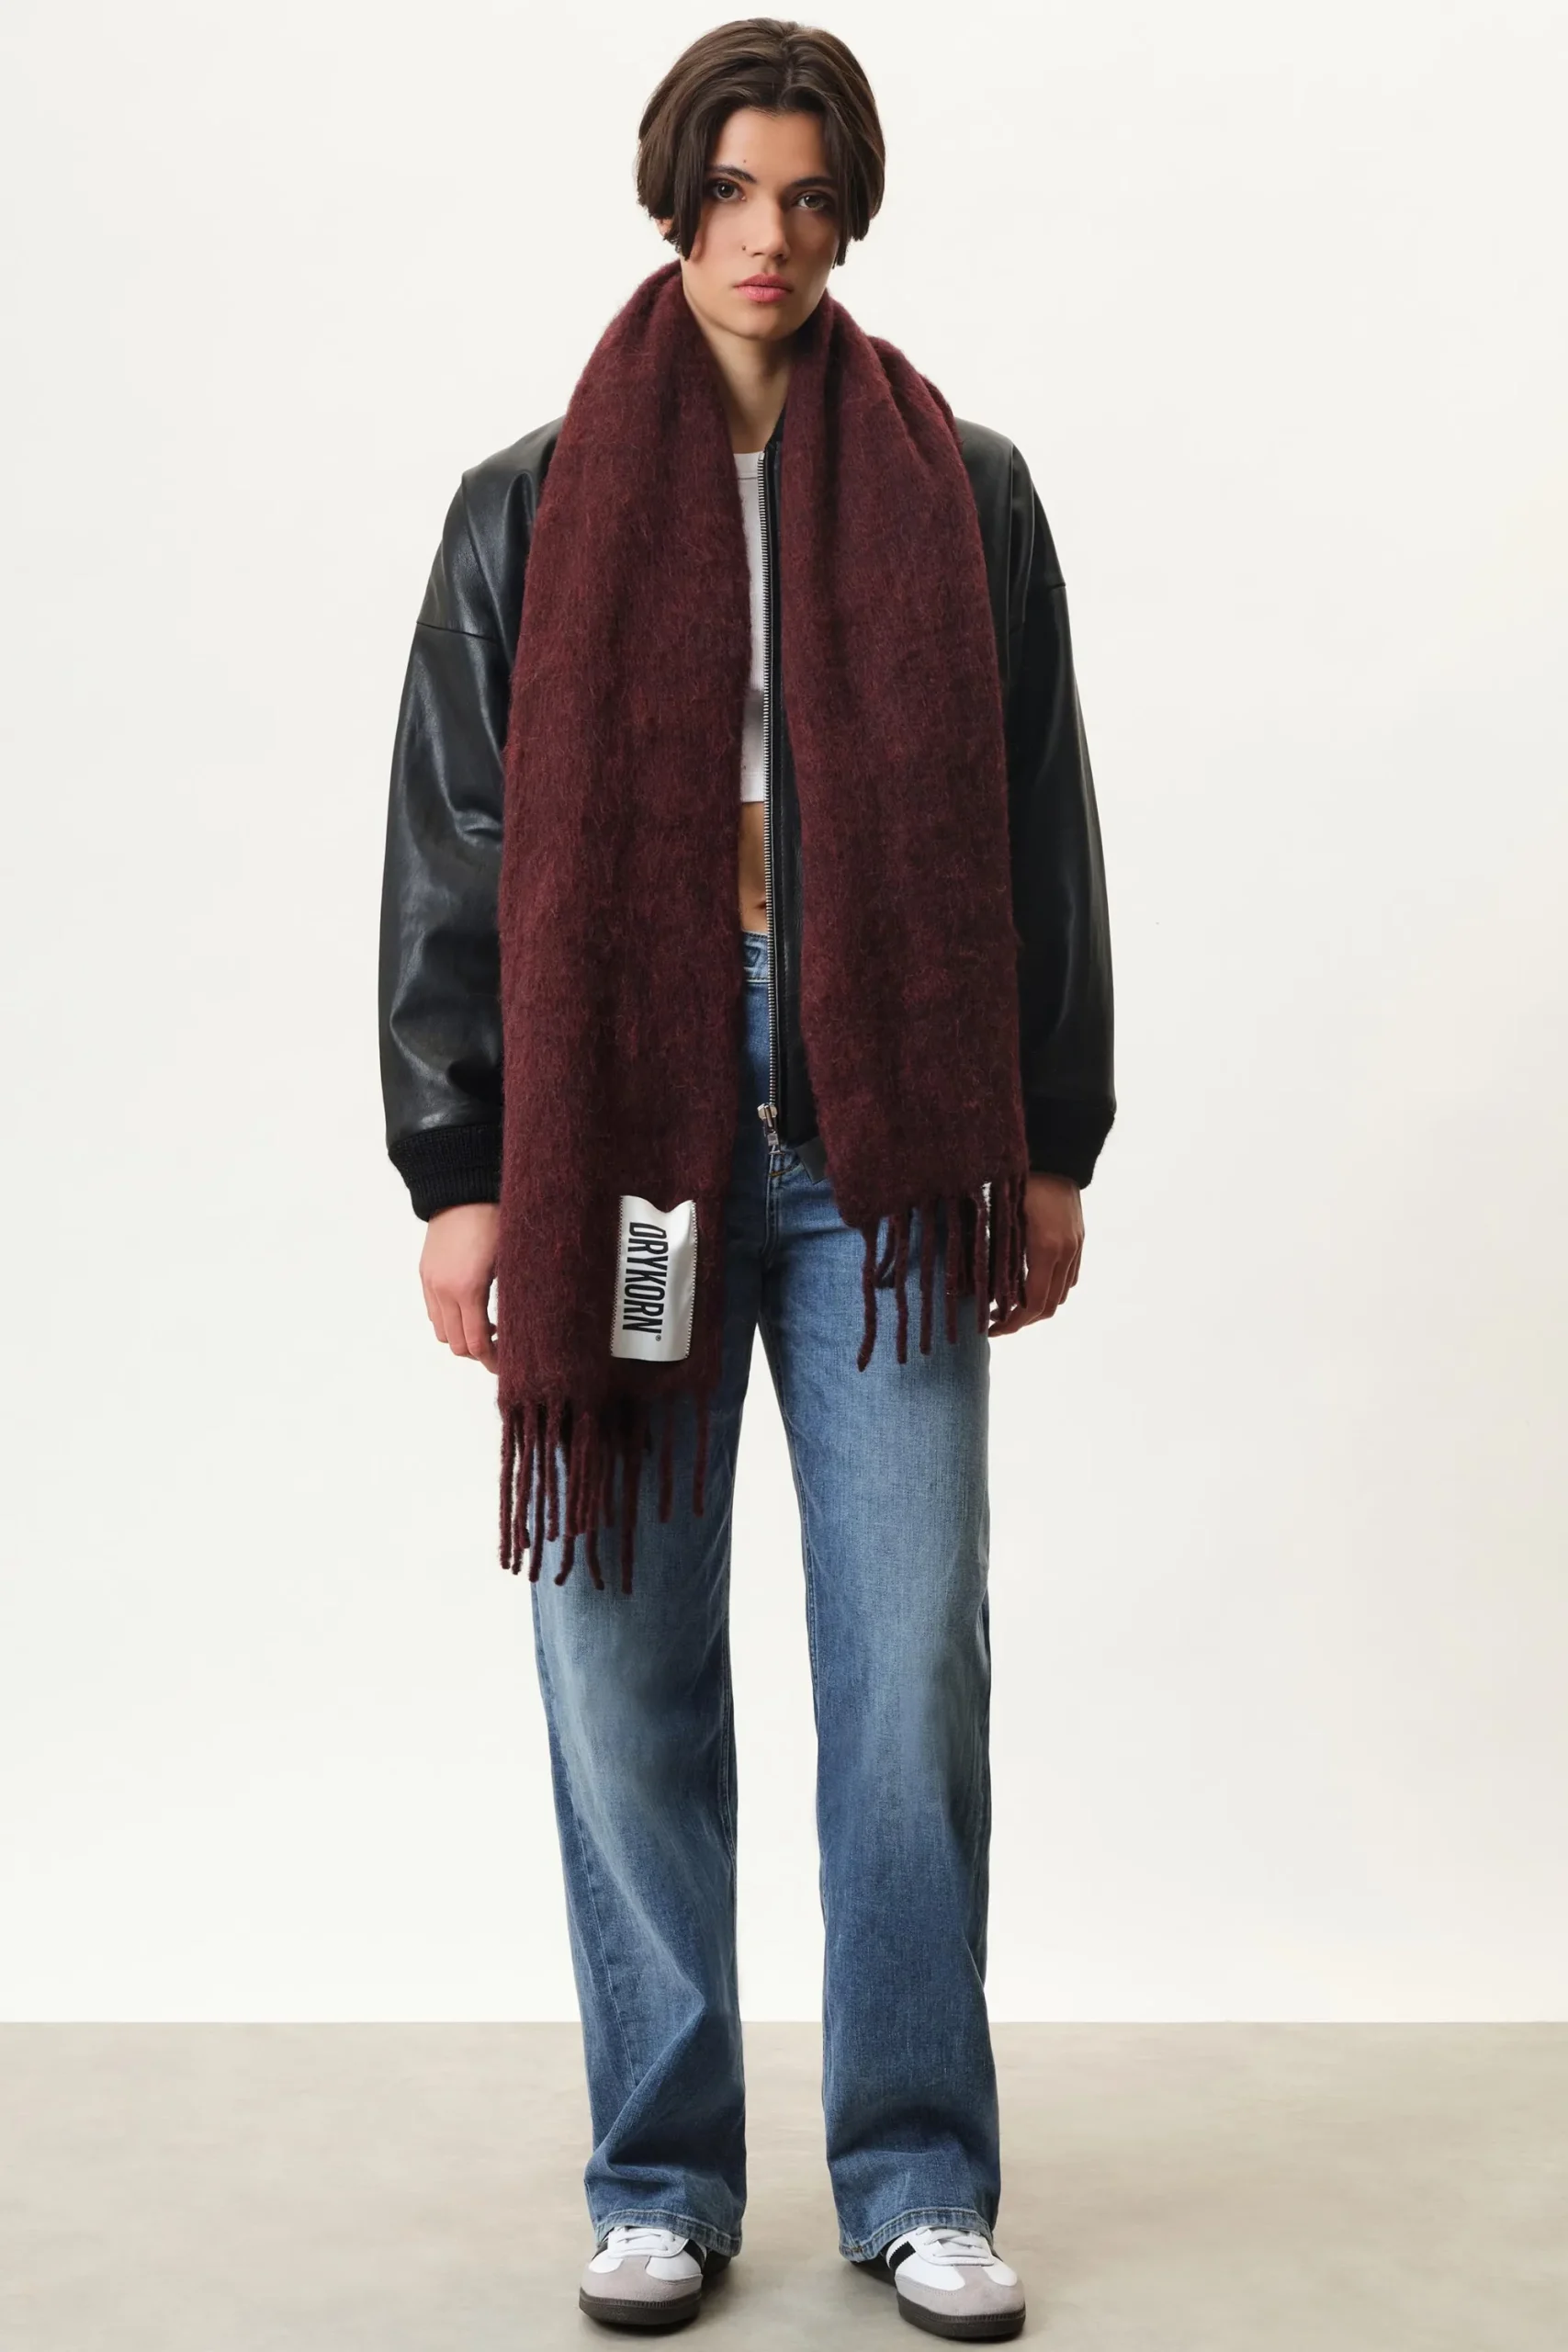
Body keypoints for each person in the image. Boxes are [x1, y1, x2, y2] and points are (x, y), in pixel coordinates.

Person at [378, 18, 1113, 2338]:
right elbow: (454, 845)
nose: (765, 237)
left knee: (906, 1664)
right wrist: (460, 1163)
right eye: (728, 191)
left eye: (804, 195)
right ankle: (660, 2175)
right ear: (670, 200)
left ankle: (916, 2169)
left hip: (887, 1125)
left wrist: (1049, 1135)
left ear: (848, 211)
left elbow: (1040, 818)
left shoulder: (963, 486)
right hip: (631, 1121)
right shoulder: (527, 503)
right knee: (619, 1654)